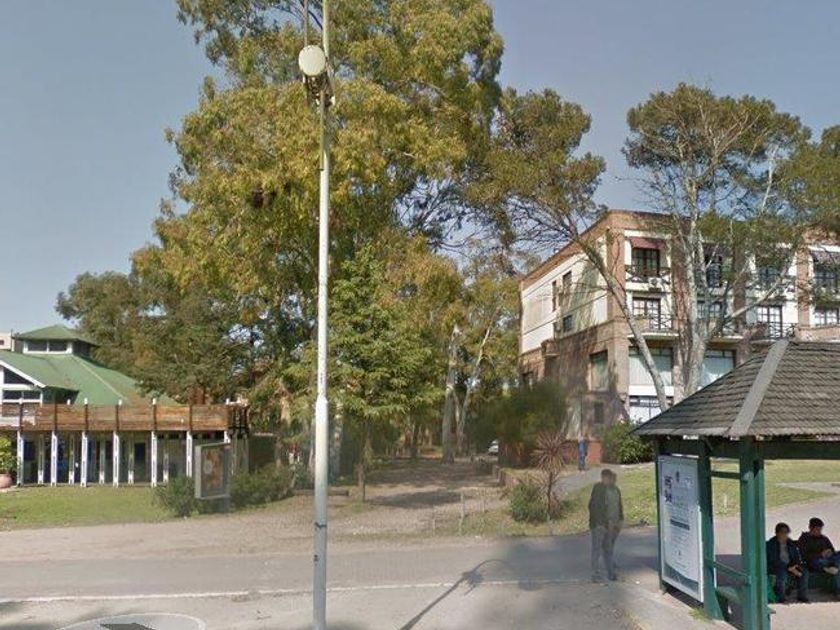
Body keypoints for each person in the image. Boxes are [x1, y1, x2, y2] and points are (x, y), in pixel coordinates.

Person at [589, 469, 623, 582]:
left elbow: (619, 506)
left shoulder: (616, 490)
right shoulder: (598, 489)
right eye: (609, 478)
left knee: (608, 549)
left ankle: (611, 573)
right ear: (604, 478)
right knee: (597, 550)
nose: (612, 480)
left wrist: (620, 520)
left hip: (611, 525)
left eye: (613, 478)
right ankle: (595, 574)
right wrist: (604, 522)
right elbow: (595, 507)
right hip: (599, 525)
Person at [766, 522, 809, 603]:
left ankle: (802, 596)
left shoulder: (790, 543)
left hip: (791, 566)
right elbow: (773, 560)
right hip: (777, 567)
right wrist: (788, 567)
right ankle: (781, 597)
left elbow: (796, 557)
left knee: (804, 572)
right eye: (783, 532)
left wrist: (796, 565)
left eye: (787, 532)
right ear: (777, 533)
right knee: (782, 574)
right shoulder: (771, 544)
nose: (785, 534)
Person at [798, 517, 840, 596]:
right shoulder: (804, 539)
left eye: (820, 529)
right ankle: (831, 567)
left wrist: (829, 552)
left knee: (838, 557)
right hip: (814, 562)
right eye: (817, 529)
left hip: (828, 559)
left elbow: (832, 550)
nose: (819, 531)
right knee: (823, 562)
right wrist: (820, 554)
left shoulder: (824, 538)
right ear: (810, 528)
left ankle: (832, 566)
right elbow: (804, 556)